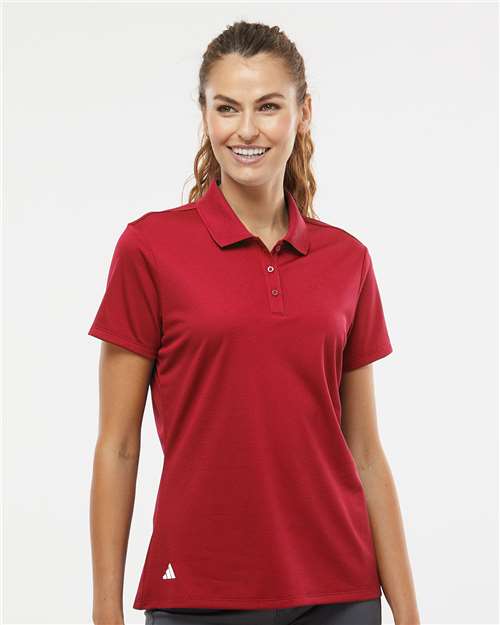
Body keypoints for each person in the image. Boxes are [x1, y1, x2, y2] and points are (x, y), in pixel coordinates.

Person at [88, 20, 420, 625]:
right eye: (226, 108)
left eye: (268, 106)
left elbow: (366, 452)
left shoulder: (347, 259)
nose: (246, 130)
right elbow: (118, 446)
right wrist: (104, 611)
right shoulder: (150, 248)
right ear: (205, 115)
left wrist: (409, 614)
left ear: (303, 113)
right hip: (199, 591)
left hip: (340, 590)